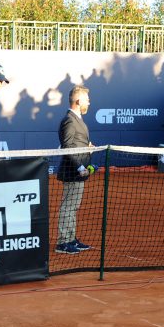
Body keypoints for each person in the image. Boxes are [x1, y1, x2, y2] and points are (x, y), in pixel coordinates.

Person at [55, 85, 94, 254]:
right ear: (78, 101)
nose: (89, 102)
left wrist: (87, 147)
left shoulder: (76, 118)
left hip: (79, 172)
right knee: (68, 207)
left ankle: (71, 239)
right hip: (73, 171)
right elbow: (67, 146)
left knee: (73, 207)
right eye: (87, 99)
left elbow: (76, 144)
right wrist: (79, 167)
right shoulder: (70, 120)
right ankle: (63, 242)